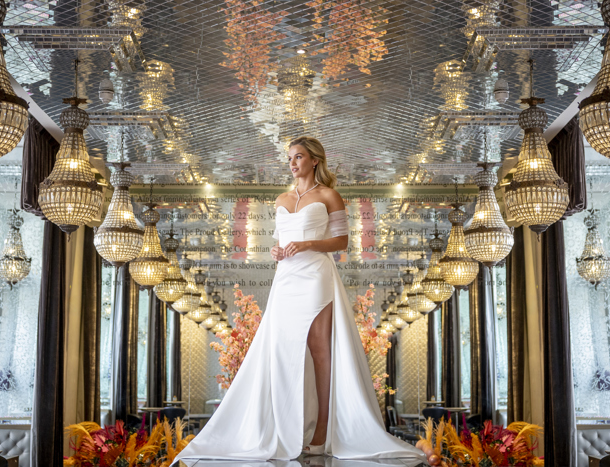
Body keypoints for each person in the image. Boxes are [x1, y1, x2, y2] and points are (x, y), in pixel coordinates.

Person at [172, 137, 430, 465]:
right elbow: (282, 242)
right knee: (282, 350)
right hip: (286, 278)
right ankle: (285, 427)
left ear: (314, 161)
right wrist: (276, 251)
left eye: (298, 157)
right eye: (290, 158)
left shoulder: (328, 195)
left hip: (316, 277)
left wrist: (307, 244)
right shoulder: (281, 199)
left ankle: (321, 430)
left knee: (320, 351)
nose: (292, 163)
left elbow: (341, 241)